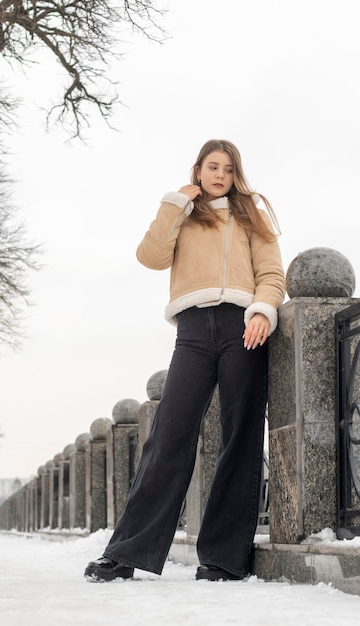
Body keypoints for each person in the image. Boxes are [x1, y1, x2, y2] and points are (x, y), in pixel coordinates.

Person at [85, 139, 286, 582]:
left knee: (241, 436)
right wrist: (175, 204)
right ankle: (126, 553)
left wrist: (262, 309)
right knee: (169, 435)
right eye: (212, 166)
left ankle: (224, 558)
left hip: (244, 329)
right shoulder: (184, 216)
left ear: (236, 175)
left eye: (229, 169)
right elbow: (150, 257)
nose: (220, 175)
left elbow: (272, 274)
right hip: (193, 333)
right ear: (197, 170)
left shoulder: (251, 215)